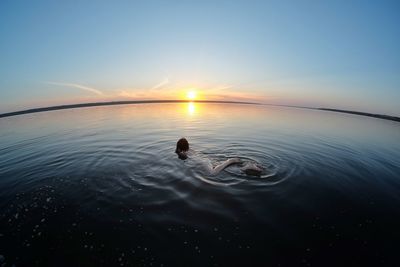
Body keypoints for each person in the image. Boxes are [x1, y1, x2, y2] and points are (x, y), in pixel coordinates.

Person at [175, 137, 262, 176]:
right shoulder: (191, 150)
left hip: (202, 162)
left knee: (212, 174)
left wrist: (178, 151)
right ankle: (245, 167)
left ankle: (230, 161)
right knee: (221, 169)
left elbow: (181, 154)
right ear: (187, 145)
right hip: (205, 159)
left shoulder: (183, 153)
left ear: (179, 146)